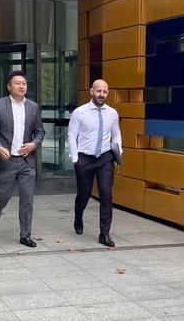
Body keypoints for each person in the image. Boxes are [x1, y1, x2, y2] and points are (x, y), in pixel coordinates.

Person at [0, 70, 45, 247]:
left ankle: (25, 235)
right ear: (9, 86)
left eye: (24, 83)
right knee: (2, 196)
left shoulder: (33, 107)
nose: (21, 86)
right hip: (8, 160)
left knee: (27, 198)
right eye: (17, 83)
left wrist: (34, 144)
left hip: (27, 161)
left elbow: (40, 131)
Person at [67, 79, 122, 247]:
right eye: (98, 91)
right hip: (84, 158)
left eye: (105, 91)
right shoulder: (79, 112)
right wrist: (75, 159)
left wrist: (119, 153)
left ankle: (104, 234)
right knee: (84, 195)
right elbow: (72, 136)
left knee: (106, 195)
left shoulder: (112, 113)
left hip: (105, 157)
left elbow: (116, 134)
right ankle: (78, 217)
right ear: (91, 91)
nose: (101, 94)